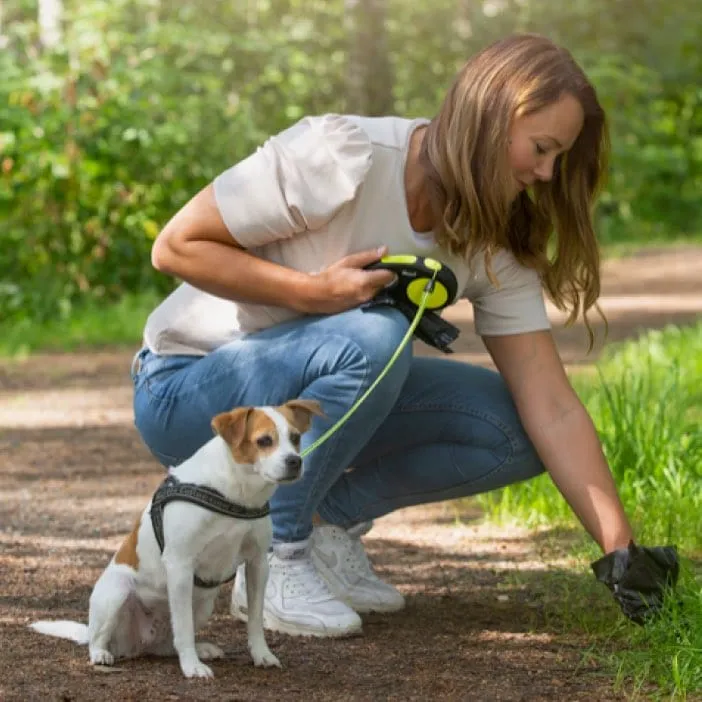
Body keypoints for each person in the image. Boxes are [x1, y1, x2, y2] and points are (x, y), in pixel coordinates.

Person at [129, 33, 652, 638]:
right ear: (492, 115)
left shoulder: (494, 243)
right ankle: (278, 552)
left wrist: (622, 554)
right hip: (188, 388)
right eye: (541, 148)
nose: (546, 172)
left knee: (517, 431)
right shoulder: (346, 154)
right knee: (374, 338)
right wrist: (311, 293)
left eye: (557, 157)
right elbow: (175, 245)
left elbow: (553, 408)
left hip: (299, 407)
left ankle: (325, 525)